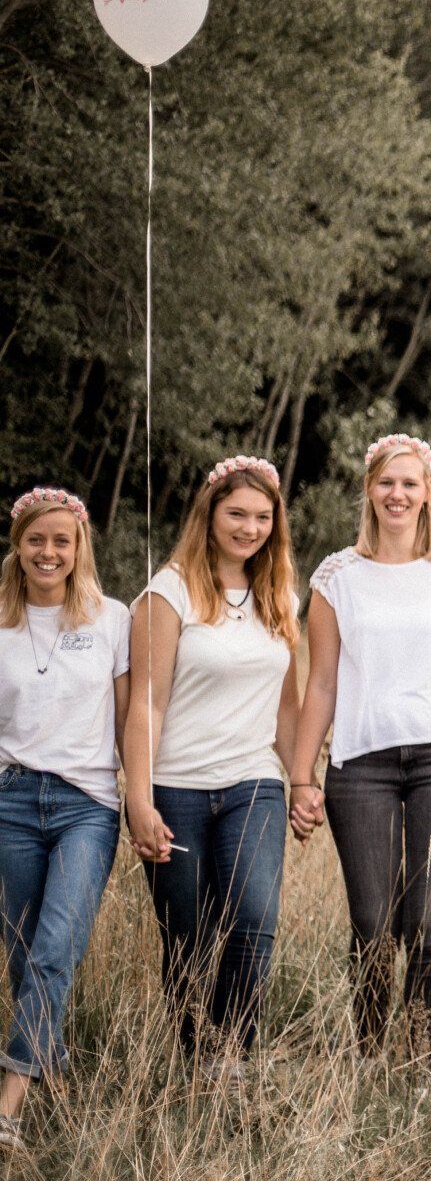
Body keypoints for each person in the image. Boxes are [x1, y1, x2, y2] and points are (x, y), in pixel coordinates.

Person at [290, 433, 431, 1059]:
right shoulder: (337, 578)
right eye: (386, 482)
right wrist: (302, 776)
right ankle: (372, 1054)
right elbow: (321, 683)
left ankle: (424, 1055)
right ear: (369, 490)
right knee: (372, 923)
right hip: (361, 767)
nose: (397, 494)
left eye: (409, 483)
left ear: (428, 493)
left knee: (430, 923)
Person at [122, 456, 302, 1083]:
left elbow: (286, 706)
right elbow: (146, 703)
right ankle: (198, 1055)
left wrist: (303, 780)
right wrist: (139, 799)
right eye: (237, 514)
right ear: (209, 514)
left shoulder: (280, 596)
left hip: (254, 782)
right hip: (176, 786)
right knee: (187, 934)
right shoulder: (168, 593)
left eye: (262, 517)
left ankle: (235, 1055)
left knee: (254, 919)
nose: (250, 528)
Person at [0, 488, 128, 1148]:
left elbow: (133, 719)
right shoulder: (0, 621)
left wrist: (143, 799)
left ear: (79, 548)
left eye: (61, 541)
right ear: (18, 545)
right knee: (25, 958)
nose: (48, 552)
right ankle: (57, 1081)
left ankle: (8, 1106)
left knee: (55, 949)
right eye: (36, 539)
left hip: (88, 805)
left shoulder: (112, 619)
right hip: (11, 801)